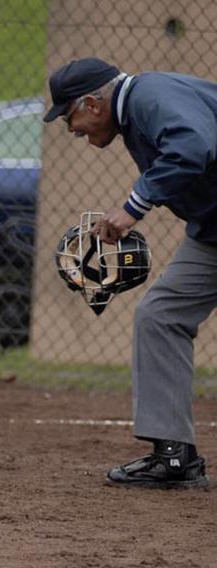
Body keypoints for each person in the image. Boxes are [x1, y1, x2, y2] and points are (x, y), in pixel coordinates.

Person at [44, 57, 215, 489]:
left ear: (93, 103)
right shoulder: (138, 109)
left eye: (70, 117)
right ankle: (174, 456)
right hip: (212, 232)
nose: (71, 130)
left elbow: (193, 145)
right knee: (160, 316)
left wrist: (133, 208)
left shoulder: (148, 96)